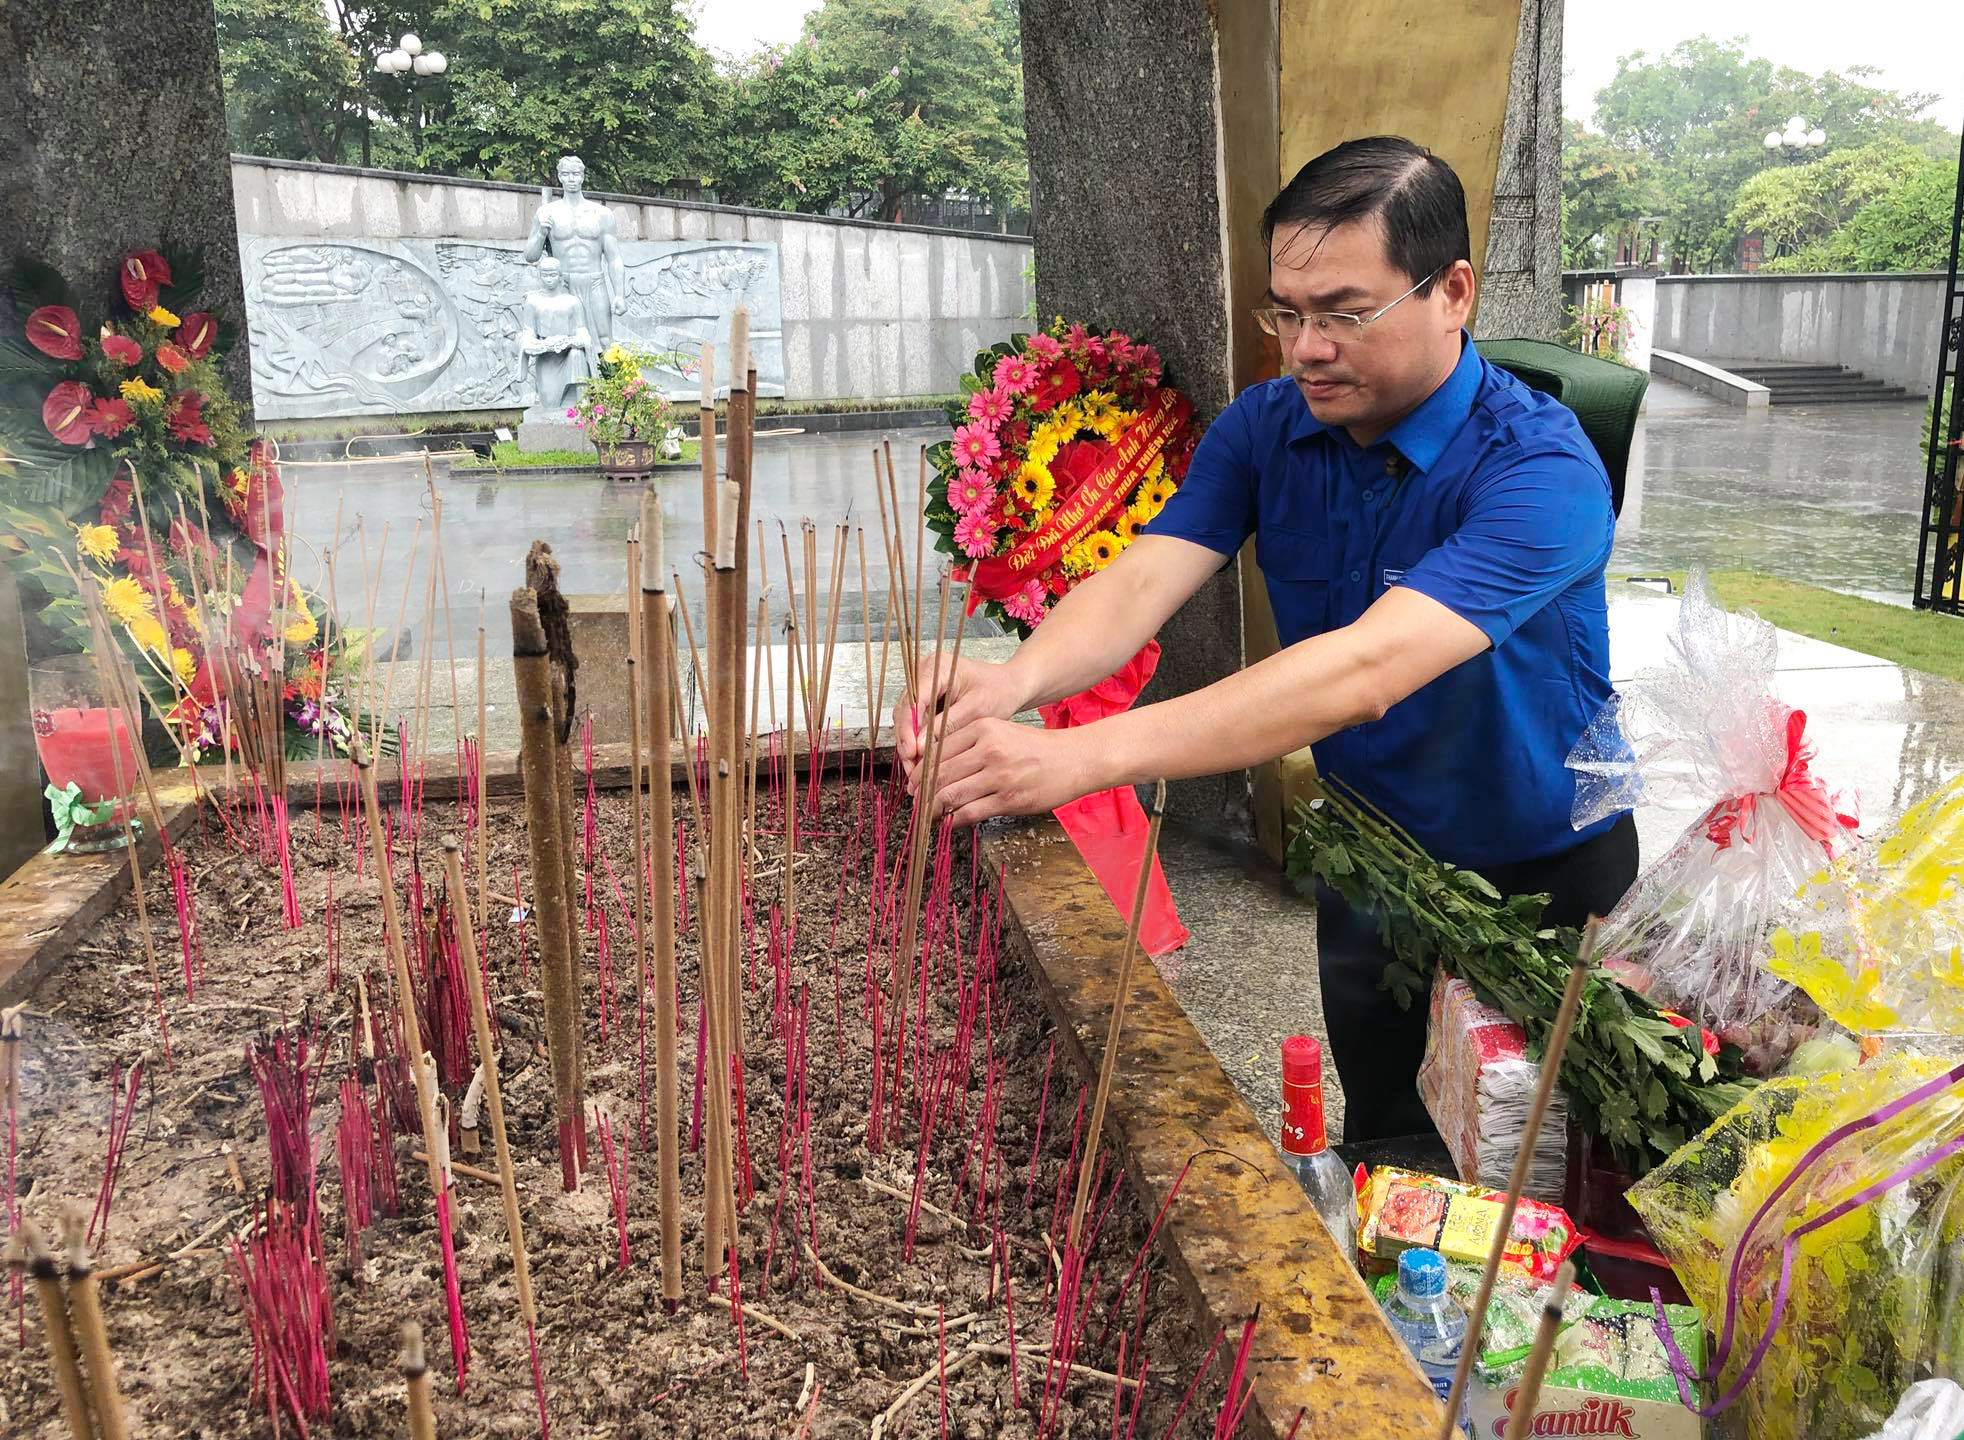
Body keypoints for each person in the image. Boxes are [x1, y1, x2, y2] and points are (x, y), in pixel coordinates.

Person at [896, 136, 1636, 1143]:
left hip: (1543, 864)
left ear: (1451, 291)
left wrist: (1076, 757)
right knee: (1388, 1138)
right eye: (1285, 311)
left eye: (1342, 313)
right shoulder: (1265, 428)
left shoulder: (1537, 471)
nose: (1304, 347)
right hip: (1372, 853)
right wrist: (1012, 680)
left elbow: (1364, 669)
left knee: (1546, 1169)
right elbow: (1146, 576)